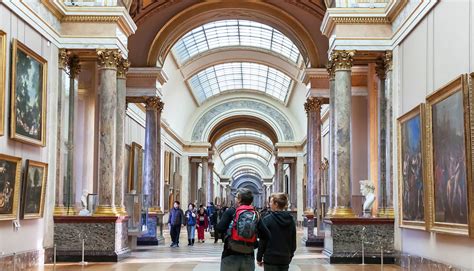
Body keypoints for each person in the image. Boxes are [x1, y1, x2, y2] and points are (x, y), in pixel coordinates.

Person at [216, 188, 270, 271]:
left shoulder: (231, 212)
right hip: (248, 255)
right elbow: (266, 235)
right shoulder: (255, 214)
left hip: (230, 254)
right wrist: (254, 243)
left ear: (239, 199)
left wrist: (227, 236)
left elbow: (219, 228)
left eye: (236, 197)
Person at [257, 193, 296, 271]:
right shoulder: (291, 220)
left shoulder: (267, 220)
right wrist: (290, 255)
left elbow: (263, 241)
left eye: (271, 202)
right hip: (284, 259)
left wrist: (259, 257)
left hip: (270, 258)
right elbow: (293, 240)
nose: (269, 204)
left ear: (276, 204)